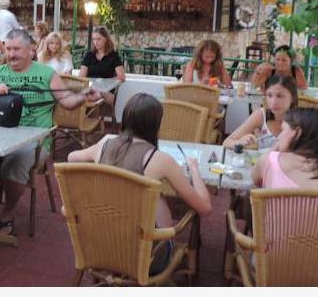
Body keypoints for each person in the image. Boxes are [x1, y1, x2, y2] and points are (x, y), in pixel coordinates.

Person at [0, 28, 102, 234]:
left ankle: (7, 213)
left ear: (31, 50)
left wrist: (83, 97)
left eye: (17, 49)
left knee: (16, 160)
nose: (11, 54)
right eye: (8, 49)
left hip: (33, 141)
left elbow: (67, 101)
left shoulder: (46, 73)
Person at [68, 93, 212, 274]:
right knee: (155, 196)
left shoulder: (105, 144)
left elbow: (71, 158)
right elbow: (205, 209)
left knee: (148, 195)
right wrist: (195, 170)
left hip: (101, 247)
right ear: (156, 124)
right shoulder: (160, 160)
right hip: (146, 257)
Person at [252, 108, 318, 193]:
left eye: (283, 130)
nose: (280, 136)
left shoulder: (270, 161)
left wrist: (275, 149)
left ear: (297, 133)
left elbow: (255, 181)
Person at [223, 74, 299, 150]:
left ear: (292, 97)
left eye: (279, 96)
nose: (274, 102)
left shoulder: (301, 120)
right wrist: (240, 143)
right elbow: (227, 142)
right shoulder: (261, 115)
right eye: (269, 95)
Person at [79, 26, 125, 106]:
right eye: (94, 39)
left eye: (99, 39)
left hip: (107, 91)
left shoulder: (113, 55)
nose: (96, 42)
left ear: (106, 39)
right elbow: (81, 77)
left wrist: (105, 82)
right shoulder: (89, 55)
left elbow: (121, 77)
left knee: (98, 94)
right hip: (90, 89)